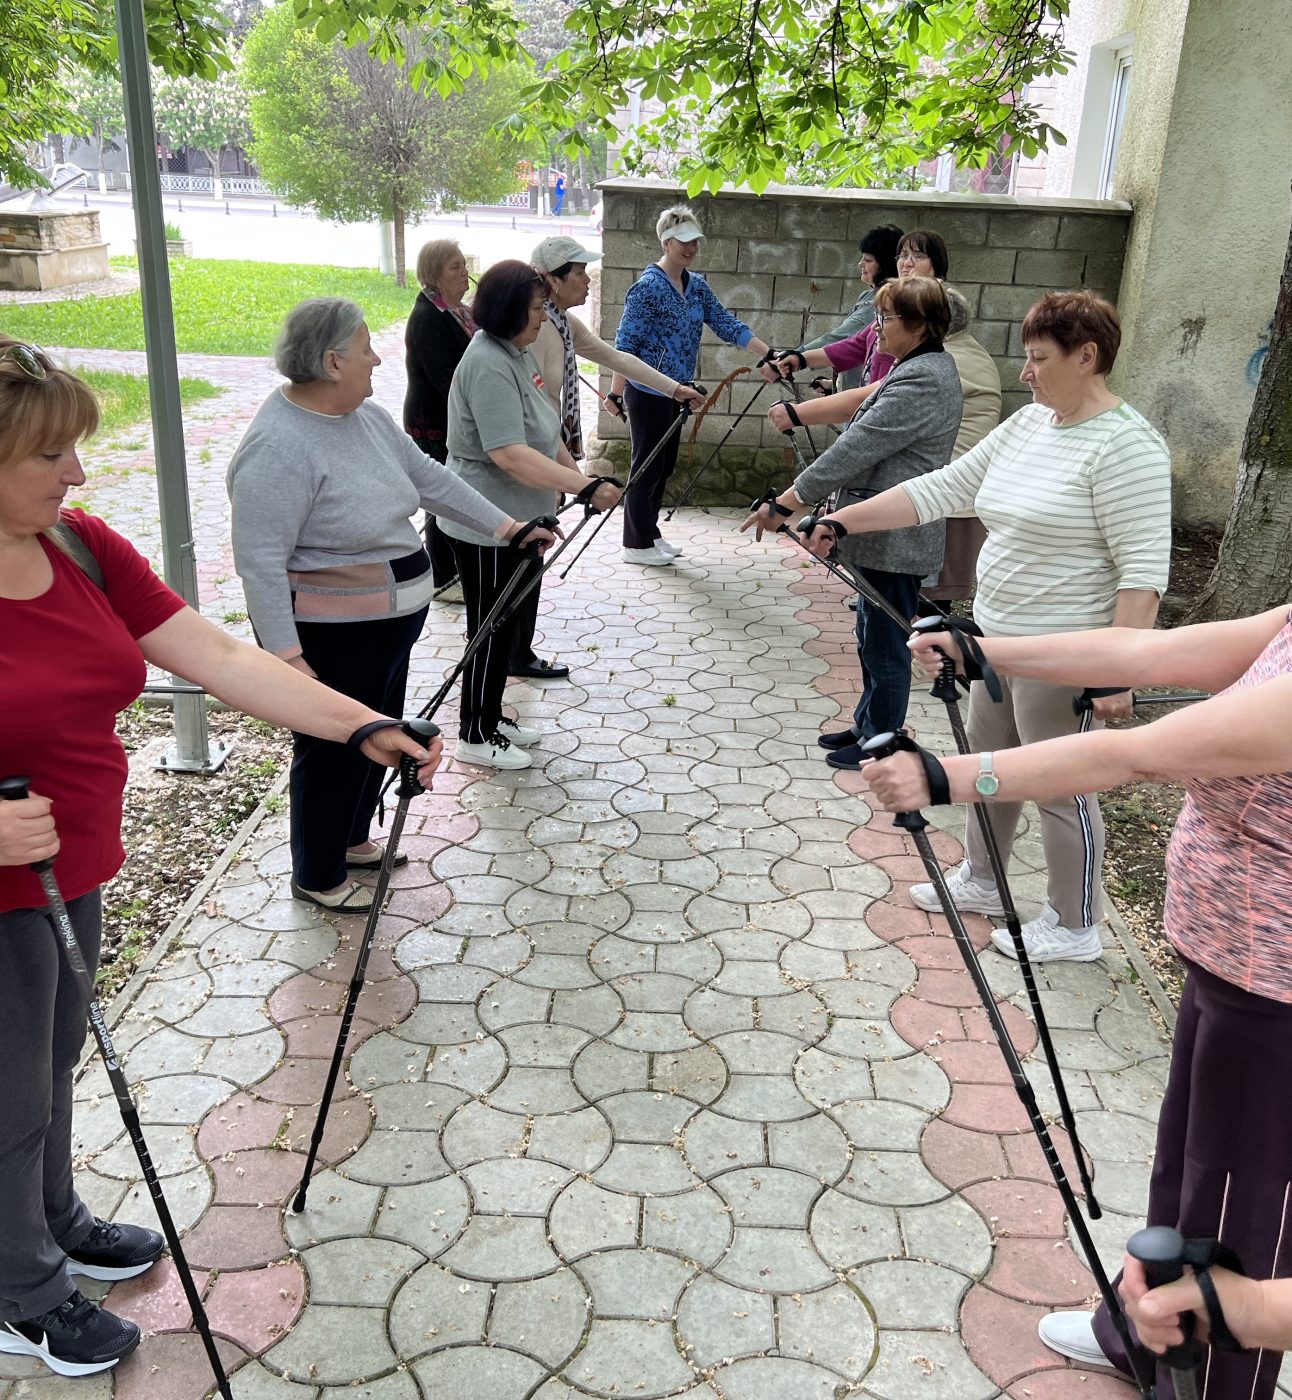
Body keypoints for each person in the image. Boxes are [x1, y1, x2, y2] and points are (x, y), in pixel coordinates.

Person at [0, 339, 443, 1379]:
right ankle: (18, 1287)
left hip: (74, 870)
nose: (76, 474)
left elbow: (221, 655)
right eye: (48, 455)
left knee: (50, 1064)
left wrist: (360, 723)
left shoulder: (81, 547)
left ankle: (51, 1216)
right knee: (7, 1089)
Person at [862, 602, 1292, 1400]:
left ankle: (1208, 1386)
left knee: (1239, 1229)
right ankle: (1139, 1337)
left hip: (1279, 1001)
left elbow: (1138, 756)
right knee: (1187, 1178)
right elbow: (1147, 651)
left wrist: (950, 775)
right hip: (1228, 965)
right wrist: (987, 650)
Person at [792, 291, 1173, 960]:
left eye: (1038, 358)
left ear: (1087, 357)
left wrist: (1120, 670)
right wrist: (840, 520)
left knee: (1060, 785)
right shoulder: (1031, 425)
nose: (1024, 372)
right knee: (992, 765)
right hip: (993, 644)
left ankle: (1075, 923)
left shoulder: (1126, 446)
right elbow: (941, 488)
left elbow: (1143, 573)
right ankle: (986, 881)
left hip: (1067, 653)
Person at [228, 298, 532, 913]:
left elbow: (430, 479)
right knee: (331, 748)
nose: (378, 355)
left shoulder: (364, 416)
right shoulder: (277, 445)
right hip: (331, 635)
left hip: (390, 625)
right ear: (333, 361)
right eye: (366, 346)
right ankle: (316, 871)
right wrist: (286, 659)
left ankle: (354, 838)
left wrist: (508, 527)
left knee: (379, 731)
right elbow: (258, 560)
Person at [742, 276, 963, 766]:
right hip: (877, 529)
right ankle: (868, 724)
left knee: (887, 641)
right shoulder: (914, 367)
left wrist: (790, 500)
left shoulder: (926, 376)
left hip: (897, 531)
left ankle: (884, 741)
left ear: (920, 325)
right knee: (870, 633)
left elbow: (857, 446)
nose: (877, 327)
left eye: (886, 318)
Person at [440, 260, 621, 770]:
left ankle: (492, 716)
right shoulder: (487, 363)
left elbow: (545, 433)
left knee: (507, 623)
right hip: (488, 521)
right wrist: (585, 485)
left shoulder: (513, 353)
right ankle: (473, 732)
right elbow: (509, 454)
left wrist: (578, 479)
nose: (543, 317)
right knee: (489, 627)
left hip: (524, 518)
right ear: (508, 310)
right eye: (538, 308)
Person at [515, 235, 705, 681]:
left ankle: (518, 650)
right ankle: (511, 654)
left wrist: (674, 388)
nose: (587, 280)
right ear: (552, 279)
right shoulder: (536, 328)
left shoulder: (560, 321)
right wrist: (576, 477)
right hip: (529, 458)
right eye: (579, 272)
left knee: (531, 557)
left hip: (546, 450)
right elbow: (536, 412)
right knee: (522, 555)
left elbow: (616, 356)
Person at [612, 204, 774, 565]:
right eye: (683, 242)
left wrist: (767, 353)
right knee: (646, 465)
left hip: (680, 390)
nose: (691, 248)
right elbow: (624, 345)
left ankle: (649, 534)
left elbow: (725, 323)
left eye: (695, 242)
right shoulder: (646, 288)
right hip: (647, 389)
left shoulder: (696, 285)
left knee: (664, 465)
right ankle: (634, 544)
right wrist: (614, 391)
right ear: (666, 242)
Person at [762, 229, 950, 392]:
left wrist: (800, 413)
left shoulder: (940, 310)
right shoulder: (889, 302)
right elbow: (856, 345)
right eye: (903, 255)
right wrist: (800, 359)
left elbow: (888, 385)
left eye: (918, 256)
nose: (907, 263)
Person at [402, 239, 476, 602]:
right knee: (439, 495)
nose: (464, 273)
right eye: (454, 268)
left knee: (452, 490)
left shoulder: (458, 311)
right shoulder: (428, 317)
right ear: (433, 275)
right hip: (432, 420)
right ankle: (443, 577)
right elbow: (446, 378)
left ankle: (453, 570)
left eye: (464, 265)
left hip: (452, 417)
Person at [924, 284, 1002, 603]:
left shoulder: (945, 362)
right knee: (928, 604)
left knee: (926, 605)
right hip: (957, 498)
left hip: (948, 503)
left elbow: (880, 405)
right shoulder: (966, 351)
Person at [797, 223, 903, 391]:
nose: (860, 264)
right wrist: (833, 386)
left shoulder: (881, 303)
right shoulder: (867, 296)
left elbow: (841, 340)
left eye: (868, 260)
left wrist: (795, 357)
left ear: (886, 264)